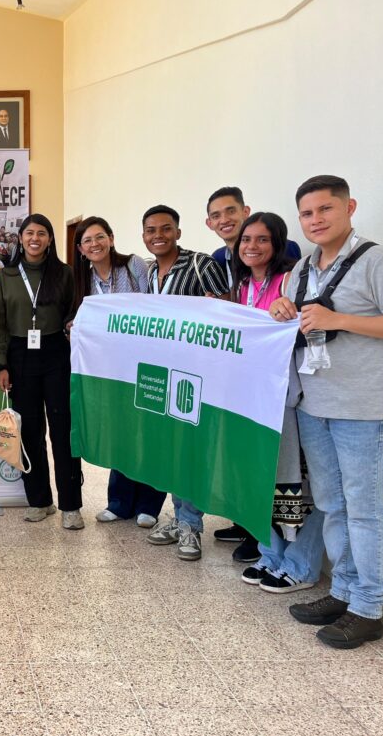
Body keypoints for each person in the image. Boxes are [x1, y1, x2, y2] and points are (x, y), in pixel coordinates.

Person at [270, 175, 383, 649]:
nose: (315, 220)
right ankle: (343, 591)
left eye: (325, 210)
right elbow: (301, 322)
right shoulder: (301, 271)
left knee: (363, 509)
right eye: (307, 214)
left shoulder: (378, 261)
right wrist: (282, 308)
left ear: (349, 207)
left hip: (364, 408)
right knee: (333, 505)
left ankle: (368, 607)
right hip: (315, 404)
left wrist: (340, 319)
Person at [228, 212, 325, 594]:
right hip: (250, 398)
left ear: (278, 244)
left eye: (262, 240)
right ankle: (271, 555)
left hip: (286, 397)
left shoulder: (290, 281)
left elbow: (307, 325)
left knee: (297, 484)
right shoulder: (239, 287)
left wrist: (290, 310)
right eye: (246, 239)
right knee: (259, 478)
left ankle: (299, 565)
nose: (252, 246)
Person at [141, 205, 229, 560]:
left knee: (190, 448)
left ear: (178, 231)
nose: (158, 235)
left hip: (195, 374)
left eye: (165, 229)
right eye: (150, 230)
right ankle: (180, 517)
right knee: (172, 449)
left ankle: (191, 524)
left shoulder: (201, 265)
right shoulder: (150, 272)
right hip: (162, 373)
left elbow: (226, 309)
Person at [0, 214, 83, 530]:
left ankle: (71, 505)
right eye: (30, 233)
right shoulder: (7, 276)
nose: (35, 238)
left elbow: (73, 311)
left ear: (50, 239)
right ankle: (40, 501)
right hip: (19, 356)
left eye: (42, 233)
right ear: (21, 238)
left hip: (57, 353)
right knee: (29, 432)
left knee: (63, 431)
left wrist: (72, 328)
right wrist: (1, 363)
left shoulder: (64, 273)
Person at [69, 216, 161, 529]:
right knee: (121, 435)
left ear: (110, 237)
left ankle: (149, 505)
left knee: (149, 433)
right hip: (111, 370)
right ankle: (119, 504)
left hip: (147, 363)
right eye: (87, 241)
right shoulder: (82, 279)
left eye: (99, 237)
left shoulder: (134, 267)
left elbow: (157, 306)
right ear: (80, 249)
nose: (94, 244)